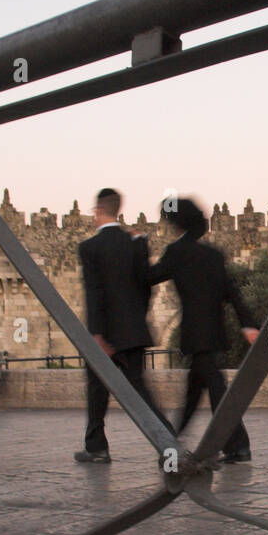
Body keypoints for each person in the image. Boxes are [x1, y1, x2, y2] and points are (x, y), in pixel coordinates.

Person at [148, 198, 259, 463]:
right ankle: (174, 442)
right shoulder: (213, 255)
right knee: (195, 390)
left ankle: (236, 446)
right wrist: (248, 324)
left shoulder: (176, 252)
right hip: (214, 333)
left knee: (215, 389)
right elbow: (232, 293)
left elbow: (149, 277)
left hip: (195, 334)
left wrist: (136, 250)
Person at [75, 187, 171, 462]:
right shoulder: (137, 243)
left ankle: (97, 448)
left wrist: (97, 334)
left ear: (98, 211)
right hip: (133, 332)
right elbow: (146, 286)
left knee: (96, 391)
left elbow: (94, 292)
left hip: (103, 335)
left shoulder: (89, 248)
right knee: (139, 391)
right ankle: (168, 442)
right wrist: (135, 319)